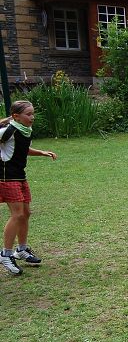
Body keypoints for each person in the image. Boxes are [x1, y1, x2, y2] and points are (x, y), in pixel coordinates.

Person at [0, 100, 57, 276]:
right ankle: (5, 254)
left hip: (20, 176)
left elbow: (21, 148)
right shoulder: (8, 130)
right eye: (28, 114)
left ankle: (22, 249)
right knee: (17, 215)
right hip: (7, 178)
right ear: (16, 116)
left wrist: (40, 152)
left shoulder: (24, 130)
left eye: (33, 113)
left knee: (25, 213)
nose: (32, 117)